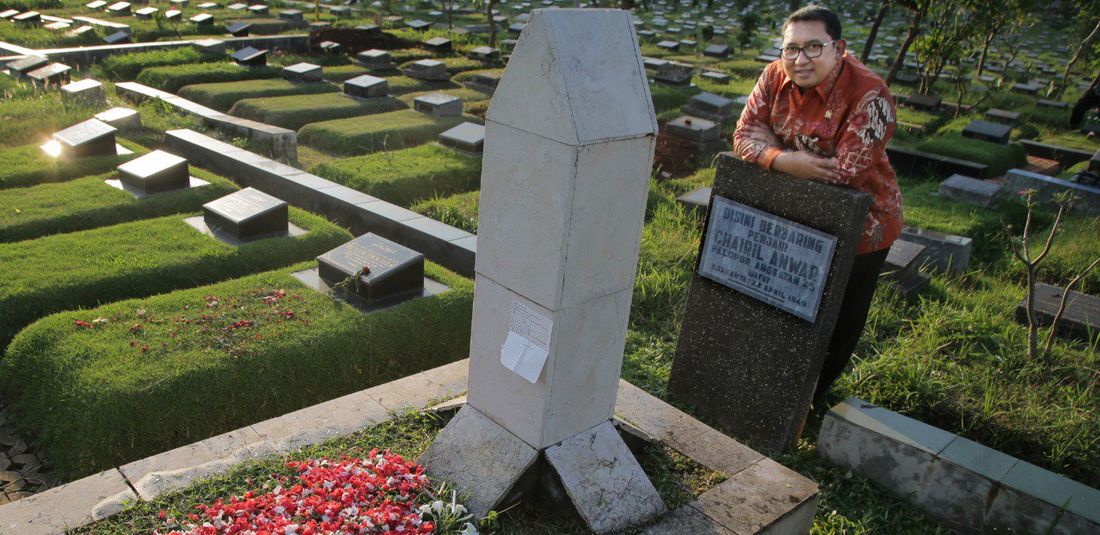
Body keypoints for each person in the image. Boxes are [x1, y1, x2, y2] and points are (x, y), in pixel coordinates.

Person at [732, 4, 902, 404]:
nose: (800, 59)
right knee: (785, 304)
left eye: (813, 48)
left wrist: (768, 150)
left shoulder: (869, 95)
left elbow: (844, 174)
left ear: (838, 48)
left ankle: (811, 400)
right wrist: (787, 160)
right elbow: (744, 134)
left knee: (838, 320)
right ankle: (770, 392)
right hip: (793, 214)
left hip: (863, 226)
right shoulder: (776, 75)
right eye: (791, 49)